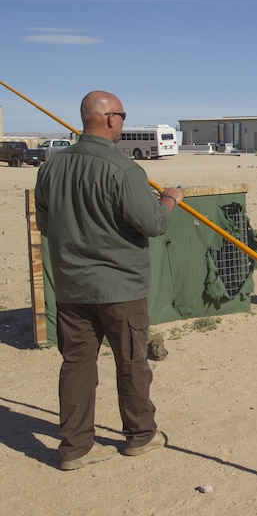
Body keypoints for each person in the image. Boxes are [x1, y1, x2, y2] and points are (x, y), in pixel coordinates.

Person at [34, 90, 181, 471]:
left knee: (76, 364)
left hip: (71, 288)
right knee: (132, 362)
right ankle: (140, 436)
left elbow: (46, 226)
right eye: (123, 115)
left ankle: (75, 448)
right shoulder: (125, 170)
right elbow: (153, 224)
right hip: (120, 289)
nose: (123, 121)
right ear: (111, 119)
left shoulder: (50, 167)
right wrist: (169, 199)